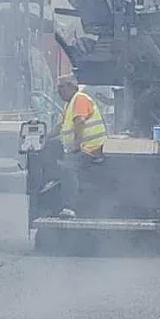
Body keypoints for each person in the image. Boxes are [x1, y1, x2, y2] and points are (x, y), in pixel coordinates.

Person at [55, 73, 107, 218]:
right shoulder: (69, 104)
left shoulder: (80, 99)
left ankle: (69, 208)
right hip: (84, 148)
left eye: (61, 87)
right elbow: (60, 126)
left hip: (91, 149)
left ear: (72, 87)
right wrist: (44, 138)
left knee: (68, 167)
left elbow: (80, 121)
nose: (58, 91)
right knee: (63, 163)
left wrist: (76, 145)